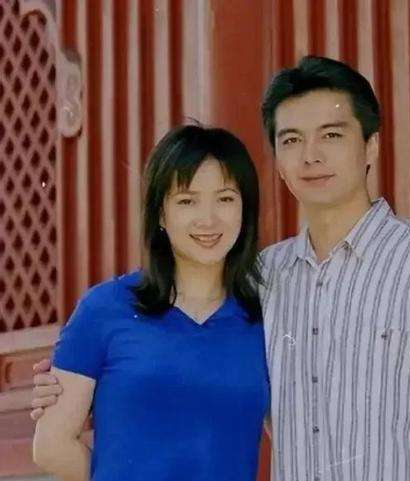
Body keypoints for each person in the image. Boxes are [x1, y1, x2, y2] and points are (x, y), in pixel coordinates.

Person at [33, 56, 410, 481]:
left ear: (371, 146)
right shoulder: (264, 279)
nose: (311, 155)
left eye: (332, 135)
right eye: (291, 140)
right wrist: (83, 380)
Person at [31, 126, 269, 481]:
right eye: (187, 201)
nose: (208, 219)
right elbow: (51, 446)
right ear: (160, 214)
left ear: (244, 208)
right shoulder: (104, 309)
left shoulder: (267, 319)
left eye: (225, 199)